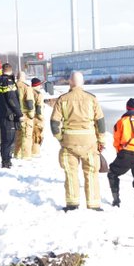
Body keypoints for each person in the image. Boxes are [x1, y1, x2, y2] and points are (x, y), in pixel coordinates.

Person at [50, 71, 106, 211]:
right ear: (83, 82)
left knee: (70, 173)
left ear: (70, 81)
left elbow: (54, 123)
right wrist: (101, 140)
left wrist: (60, 139)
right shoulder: (92, 99)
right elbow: (100, 122)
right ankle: (93, 204)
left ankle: (72, 204)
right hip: (90, 143)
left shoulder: (63, 99)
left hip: (69, 143)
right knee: (91, 173)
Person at [0, 63, 22, 168]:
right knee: (9, 139)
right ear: (11, 71)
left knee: (4, 137)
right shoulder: (8, 82)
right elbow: (12, 99)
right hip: (8, 114)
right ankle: (6, 162)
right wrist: (19, 113)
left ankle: (5, 159)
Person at [14, 72, 35, 160]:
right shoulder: (26, 87)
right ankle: (26, 156)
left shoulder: (13, 86)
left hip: (15, 114)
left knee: (18, 135)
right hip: (25, 114)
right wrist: (31, 114)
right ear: (24, 77)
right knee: (27, 136)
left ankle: (17, 154)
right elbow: (30, 102)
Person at [29, 77, 45, 157]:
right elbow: (39, 107)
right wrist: (41, 117)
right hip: (36, 118)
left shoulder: (28, 91)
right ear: (38, 85)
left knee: (30, 135)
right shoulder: (38, 93)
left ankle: (29, 151)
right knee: (37, 135)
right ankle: (35, 152)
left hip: (28, 117)